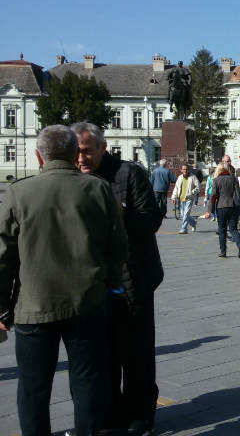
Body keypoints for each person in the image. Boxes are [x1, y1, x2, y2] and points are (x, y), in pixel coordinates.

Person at [0, 125, 129, 436]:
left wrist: (3, 309)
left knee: (33, 386)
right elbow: (118, 247)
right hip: (86, 301)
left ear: (38, 155)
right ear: (75, 153)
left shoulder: (18, 192)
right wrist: (108, 282)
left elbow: (3, 258)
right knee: (87, 381)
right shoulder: (97, 189)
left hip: (34, 304)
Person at [71, 122, 164, 435]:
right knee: (103, 356)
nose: (81, 159)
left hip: (133, 278)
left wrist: (119, 212)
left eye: (86, 151)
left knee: (136, 354)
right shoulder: (73, 178)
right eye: (76, 153)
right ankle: (109, 415)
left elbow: (150, 219)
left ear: (102, 147)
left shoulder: (129, 173)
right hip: (93, 282)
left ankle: (140, 417)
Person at [212, 162, 240, 258]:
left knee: (222, 230)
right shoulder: (234, 179)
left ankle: (223, 252)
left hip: (221, 206)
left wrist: (210, 210)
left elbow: (213, 196)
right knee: (233, 228)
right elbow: (238, 192)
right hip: (233, 206)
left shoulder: (216, 180)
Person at [171, 164, 199, 234]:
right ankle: (193, 223)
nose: (185, 170)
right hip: (181, 198)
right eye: (183, 169)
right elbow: (176, 188)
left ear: (188, 170)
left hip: (189, 198)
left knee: (186, 214)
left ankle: (184, 229)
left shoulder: (193, 177)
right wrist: (173, 197)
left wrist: (192, 192)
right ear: (181, 170)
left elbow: (198, 187)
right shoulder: (180, 177)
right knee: (183, 215)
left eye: (186, 169)